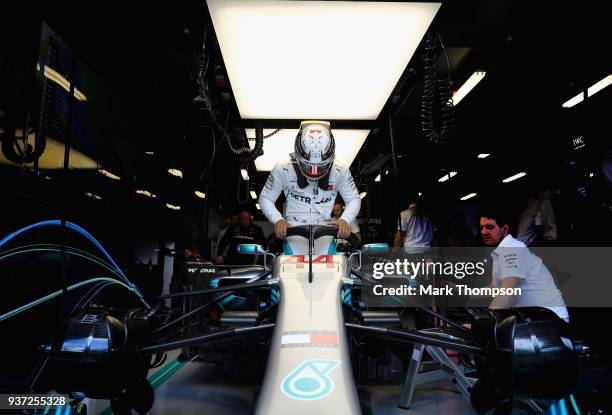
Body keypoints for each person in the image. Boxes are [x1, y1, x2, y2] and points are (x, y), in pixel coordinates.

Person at [258, 121, 361, 254]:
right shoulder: (283, 168)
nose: (314, 171)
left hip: (325, 231)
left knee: (330, 273)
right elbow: (265, 198)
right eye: (308, 166)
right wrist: (278, 220)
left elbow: (354, 199)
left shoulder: (340, 170)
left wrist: (344, 220)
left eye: (321, 166)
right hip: (291, 231)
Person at [480, 208, 569, 322]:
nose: (483, 232)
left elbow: (507, 289)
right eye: (482, 228)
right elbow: (494, 288)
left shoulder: (512, 248)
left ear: (505, 229)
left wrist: (485, 321)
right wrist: (462, 291)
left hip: (550, 320)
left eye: (489, 227)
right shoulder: (501, 251)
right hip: (534, 318)